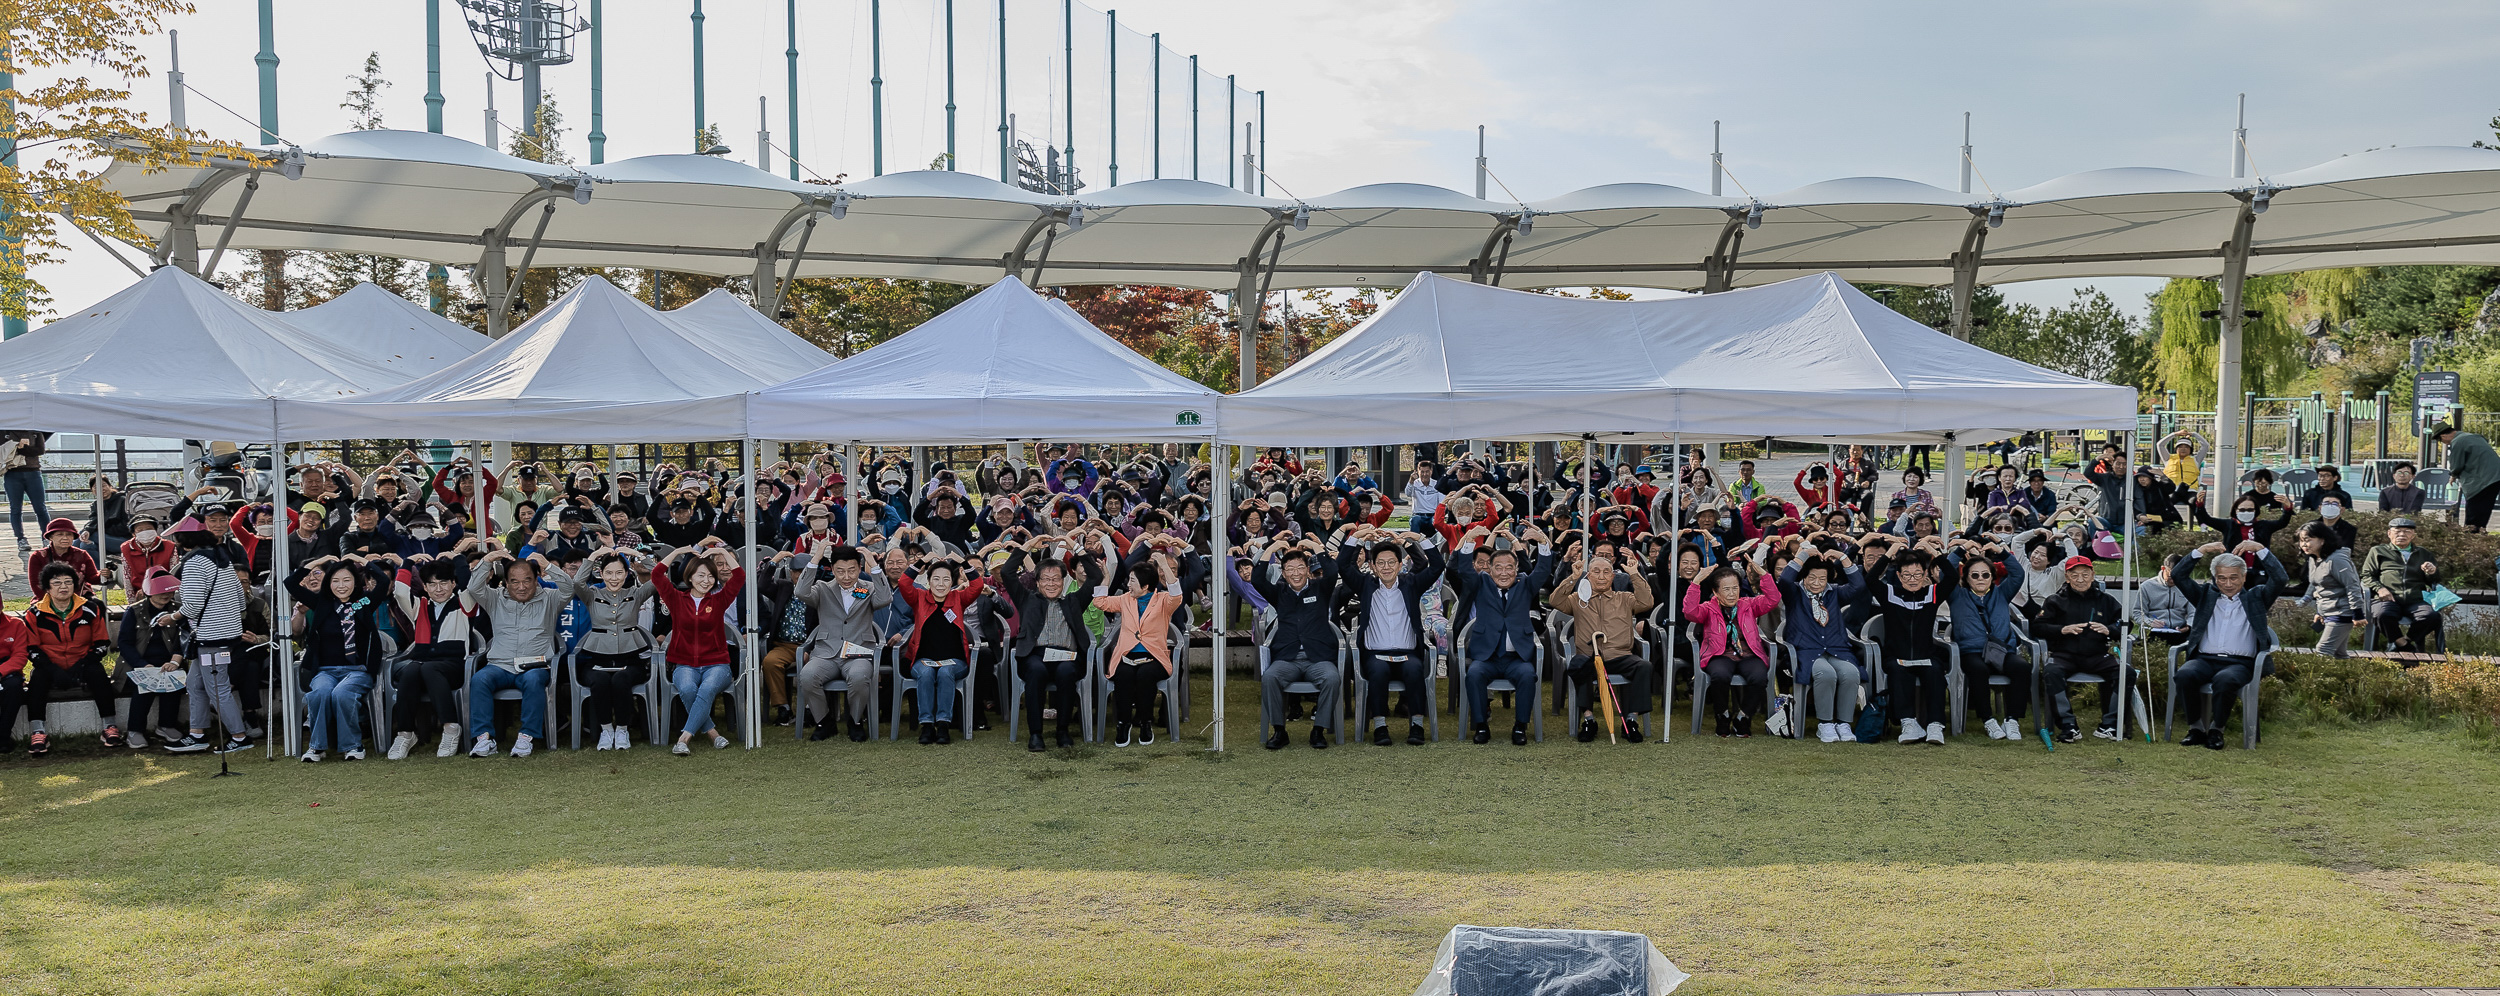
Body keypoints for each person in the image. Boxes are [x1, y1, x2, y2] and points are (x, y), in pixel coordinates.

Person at [463, 544, 585, 758]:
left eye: (527, 580)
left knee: (533, 681)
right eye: (515, 582)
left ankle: (525, 738)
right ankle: (483, 739)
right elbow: (474, 588)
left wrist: (548, 565)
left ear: (536, 580)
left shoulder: (550, 598)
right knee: (479, 679)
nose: (521, 587)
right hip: (500, 665)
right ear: (506, 583)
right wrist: (488, 560)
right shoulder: (495, 599)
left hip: (534, 665)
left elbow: (569, 588)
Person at [2170, 541, 2289, 749]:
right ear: (2215, 578)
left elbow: (2280, 578)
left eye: (2234, 577)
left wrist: (2260, 549)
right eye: (2221, 578)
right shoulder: (2205, 595)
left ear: (2243, 577)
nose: (2228, 583)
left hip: (2239, 663)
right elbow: (2179, 576)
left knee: (2225, 680)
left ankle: (2217, 730)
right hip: (2204, 659)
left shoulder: (2257, 597)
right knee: (2184, 675)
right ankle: (2196, 728)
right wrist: (2200, 551)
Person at [1340, 527, 1448, 747]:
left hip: (1407, 652)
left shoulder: (1411, 584)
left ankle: (1417, 724)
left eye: (1391, 562)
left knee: (1414, 669)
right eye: (1380, 563)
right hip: (1375, 653)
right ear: (1372, 566)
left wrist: (1418, 539)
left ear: (1400, 565)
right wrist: (1358, 539)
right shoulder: (1365, 585)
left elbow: (1437, 565)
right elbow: (1343, 565)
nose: (1386, 567)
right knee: (1378, 672)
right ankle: (1380, 726)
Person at [1448, 524, 1555, 745]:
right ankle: (1481, 726)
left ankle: (1520, 726)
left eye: (1509, 568)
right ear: (1490, 569)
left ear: (1516, 570)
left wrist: (1543, 541)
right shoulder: (1481, 583)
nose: (1503, 572)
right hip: (1486, 657)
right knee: (1474, 674)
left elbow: (1543, 571)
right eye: (1498, 567)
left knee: (1527, 676)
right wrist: (1469, 539)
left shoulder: (1525, 584)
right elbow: (1464, 570)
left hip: (1517, 657)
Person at [161, 515, 255, 755]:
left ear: (183, 540)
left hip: (211, 637)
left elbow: (191, 606)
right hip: (225, 634)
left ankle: (240, 736)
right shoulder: (222, 559)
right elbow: (241, 600)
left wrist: (172, 617)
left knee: (217, 688)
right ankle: (197, 734)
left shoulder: (193, 563)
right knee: (195, 685)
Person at [287, 556, 394, 762]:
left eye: (347, 580)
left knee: (342, 694)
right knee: (319, 693)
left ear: (356, 582)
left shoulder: (363, 602)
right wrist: (322, 560)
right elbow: (291, 583)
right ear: (328, 583)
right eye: (335, 580)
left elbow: (383, 582)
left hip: (358, 670)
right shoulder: (322, 603)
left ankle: (353, 746)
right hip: (325, 670)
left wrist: (361, 560)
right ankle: (317, 747)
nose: (341, 585)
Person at [1551, 542, 1656, 742]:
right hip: (1590, 656)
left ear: (1613, 576)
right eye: (1595, 572)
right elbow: (1555, 601)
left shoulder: (1624, 598)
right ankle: (1589, 719)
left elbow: (1646, 603)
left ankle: (1631, 719)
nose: (1601, 576)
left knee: (1644, 666)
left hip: (1620, 655)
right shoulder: (1578, 599)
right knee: (1578, 665)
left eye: (1606, 572)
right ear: (1588, 576)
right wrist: (1572, 578)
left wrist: (1634, 574)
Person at [794, 543, 896, 743]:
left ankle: (856, 721)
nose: (846, 577)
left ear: (859, 568)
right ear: (832, 570)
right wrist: (815, 559)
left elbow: (885, 598)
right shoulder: (822, 589)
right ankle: (824, 722)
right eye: (840, 571)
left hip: (858, 652)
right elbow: (800, 592)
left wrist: (873, 564)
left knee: (859, 677)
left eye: (852, 571)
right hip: (826, 652)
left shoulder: (867, 589)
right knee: (807, 676)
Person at [1090, 540, 1185, 747]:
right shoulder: (1125, 599)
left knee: (1145, 675)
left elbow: (1177, 594)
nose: (1128, 584)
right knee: (1123, 675)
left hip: (1154, 657)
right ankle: (1123, 724)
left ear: (1145, 586)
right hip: (1127, 655)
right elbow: (1100, 602)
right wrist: (1106, 577)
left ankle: (1145, 723)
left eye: (1132, 581)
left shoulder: (1163, 601)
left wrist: (1163, 563)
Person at [1249, 536, 1341, 750]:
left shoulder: (1320, 588)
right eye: (1290, 569)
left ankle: (1318, 731)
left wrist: (1316, 547)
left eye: (1300, 568)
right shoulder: (1279, 593)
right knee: (1270, 678)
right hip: (1288, 658)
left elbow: (1332, 571)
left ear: (1308, 570)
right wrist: (1270, 548)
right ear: (1283, 573)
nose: (1296, 573)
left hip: (1318, 658)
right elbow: (1257, 579)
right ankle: (1279, 731)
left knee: (1331, 678)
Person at [1000, 537, 1092, 751]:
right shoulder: (1027, 598)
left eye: (1056, 579)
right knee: (1035, 670)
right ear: (1038, 582)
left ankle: (1063, 731)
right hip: (1035, 655)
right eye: (1046, 580)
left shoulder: (1073, 601)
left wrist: (1076, 547)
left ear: (1063, 581)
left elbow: (1095, 576)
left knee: (1067, 672)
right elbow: (1007, 573)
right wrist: (1028, 545)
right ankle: (1035, 734)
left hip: (1065, 657)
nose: (1051, 584)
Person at [653, 544, 745, 755]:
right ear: (690, 577)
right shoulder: (676, 599)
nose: (706, 581)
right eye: (701, 575)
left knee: (706, 689)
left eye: (710, 576)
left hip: (717, 664)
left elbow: (739, 576)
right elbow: (657, 575)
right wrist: (676, 553)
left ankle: (684, 738)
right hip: (684, 664)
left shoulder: (719, 599)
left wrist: (721, 553)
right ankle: (713, 734)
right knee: (687, 689)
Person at [18, 564, 118, 754]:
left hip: (83, 662)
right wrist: (53, 669)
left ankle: (109, 727)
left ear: (75, 585)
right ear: (47, 588)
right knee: (37, 680)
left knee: (98, 674)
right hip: (49, 665)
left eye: (68, 582)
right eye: (56, 583)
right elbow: (31, 649)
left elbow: (102, 643)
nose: (63, 587)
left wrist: (81, 665)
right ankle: (38, 732)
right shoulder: (34, 613)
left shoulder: (90, 609)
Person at [895, 552, 992, 745]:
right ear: (928, 581)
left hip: (955, 661)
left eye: (946, 579)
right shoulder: (919, 598)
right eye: (936, 579)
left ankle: (944, 725)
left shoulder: (958, 598)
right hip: (922, 659)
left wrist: (963, 562)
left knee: (946, 672)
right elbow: (904, 583)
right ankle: (927, 725)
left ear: (952, 582)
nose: (941, 584)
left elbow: (977, 585)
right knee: (927, 672)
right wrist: (922, 562)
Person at [384, 557, 476, 759]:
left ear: (453, 583)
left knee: (426, 668)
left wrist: (458, 557)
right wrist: (407, 563)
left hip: (455, 666)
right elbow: (400, 591)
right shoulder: (420, 606)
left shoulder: (464, 603)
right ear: (424, 587)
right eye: (432, 584)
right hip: (424, 665)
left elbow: (470, 584)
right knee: (411, 670)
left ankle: (451, 728)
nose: (439, 589)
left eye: (444, 583)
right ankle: (405, 733)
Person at [1682, 555, 1781, 738]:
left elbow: (1773, 599)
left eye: (1735, 588)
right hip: (1720, 655)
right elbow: (1689, 612)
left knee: (1760, 676)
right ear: (1716, 591)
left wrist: (1764, 576)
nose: (1732, 593)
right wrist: (1696, 582)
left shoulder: (1749, 605)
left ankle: (1744, 717)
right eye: (1726, 589)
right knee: (1720, 676)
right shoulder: (1708, 608)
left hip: (1748, 654)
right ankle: (1723, 715)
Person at [2029, 555, 2126, 743]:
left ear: (2093, 575)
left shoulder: (2106, 600)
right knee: (2051, 671)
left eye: (2085, 575)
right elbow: (2038, 626)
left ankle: (2110, 724)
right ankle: (2068, 726)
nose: (2080, 580)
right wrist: (2062, 630)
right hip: (2065, 654)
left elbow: (2124, 625)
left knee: (2125, 672)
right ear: (2067, 577)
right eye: (2075, 576)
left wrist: (2109, 630)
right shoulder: (2055, 600)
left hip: (2098, 654)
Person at [1775, 548, 1867, 743]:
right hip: (1806, 651)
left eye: (1822, 579)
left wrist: (1842, 556)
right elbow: (1784, 580)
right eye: (1812, 578)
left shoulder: (1834, 593)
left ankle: (1843, 724)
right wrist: (1803, 555)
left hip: (1837, 649)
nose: (1817, 583)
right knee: (1826, 674)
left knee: (1851, 674)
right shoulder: (1795, 593)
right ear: (1804, 577)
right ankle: (1825, 724)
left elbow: (1858, 585)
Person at [1944, 537, 2030, 742]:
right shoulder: (1957, 595)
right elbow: (1946, 571)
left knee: (2022, 667)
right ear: (1967, 578)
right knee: (1978, 670)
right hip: (1971, 651)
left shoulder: (2001, 593)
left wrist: (2001, 552)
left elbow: (2018, 574)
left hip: (2001, 650)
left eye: (1985, 575)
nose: (1980, 579)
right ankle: (1988, 720)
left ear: (1992, 577)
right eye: (1975, 575)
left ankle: (2012, 720)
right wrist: (1962, 549)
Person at [573, 547, 657, 751]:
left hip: (630, 658)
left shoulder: (635, 594)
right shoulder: (592, 594)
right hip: (598, 658)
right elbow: (577, 582)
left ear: (627, 574)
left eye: (619, 572)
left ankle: (622, 729)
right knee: (600, 682)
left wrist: (638, 556)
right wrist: (592, 556)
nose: (614, 578)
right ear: (600, 574)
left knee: (621, 680)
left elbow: (659, 578)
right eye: (608, 572)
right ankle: (606, 729)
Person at [1871, 545, 1951, 745]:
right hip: (1896, 655)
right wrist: (1888, 553)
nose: (1912, 579)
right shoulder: (1889, 594)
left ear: (1925, 574)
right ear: (1898, 576)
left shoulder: (1932, 593)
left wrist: (1935, 552)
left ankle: (1935, 725)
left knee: (1935, 671)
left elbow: (1952, 577)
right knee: (1898, 671)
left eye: (1917, 574)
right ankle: (1909, 723)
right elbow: (1870, 579)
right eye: (1906, 575)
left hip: (1926, 654)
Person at [114, 570, 190, 749]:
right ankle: (135, 730)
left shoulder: (178, 610)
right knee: (145, 687)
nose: (166, 595)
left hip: (170, 662)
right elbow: (124, 643)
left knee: (173, 684)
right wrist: (142, 665)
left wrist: (174, 662)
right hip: (139, 663)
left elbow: (185, 639)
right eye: (161, 591)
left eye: (169, 591)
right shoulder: (134, 611)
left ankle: (167, 725)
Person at [2361, 516, 2444, 653]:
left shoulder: (2423, 553)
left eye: (2406, 531)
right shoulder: (2378, 551)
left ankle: (2401, 641)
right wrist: (2380, 589)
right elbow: (2366, 575)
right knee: (2382, 614)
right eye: (2397, 531)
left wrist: (2432, 571)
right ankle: (2404, 646)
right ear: (2389, 533)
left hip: (2415, 599)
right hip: (2388, 598)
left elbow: (2434, 580)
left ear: (2413, 535)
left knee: (2432, 616)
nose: (2402, 534)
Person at [2290, 520, 2364, 659]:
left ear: (2322, 540)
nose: (2304, 545)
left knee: (2323, 650)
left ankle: (2318, 681)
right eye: (2301, 541)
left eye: (2308, 540)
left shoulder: (2337, 560)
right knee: (2339, 654)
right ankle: (2349, 679)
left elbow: (2352, 585)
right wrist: (2320, 612)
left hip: (2343, 611)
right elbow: (2317, 584)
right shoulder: (2314, 558)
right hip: (2329, 610)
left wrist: (2358, 613)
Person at [2433, 422, 2500, 530]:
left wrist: (2453, 476)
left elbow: (2456, 465)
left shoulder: (2458, 442)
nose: (2444, 443)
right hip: (2495, 477)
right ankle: (2479, 535)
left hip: (2481, 481)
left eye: (2441, 441)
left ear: (2443, 436)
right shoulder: (2474, 437)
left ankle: (2472, 539)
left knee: (2474, 517)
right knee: (2483, 512)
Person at [2, 430, 51, 550]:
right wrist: (25, 448)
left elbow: (40, 450)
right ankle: (20, 539)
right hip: (12, 473)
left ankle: (47, 537)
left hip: (33, 472)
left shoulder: (35, 430)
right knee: (15, 508)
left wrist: (18, 448)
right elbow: (3, 450)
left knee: (40, 508)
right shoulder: (5, 430)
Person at [25, 517, 100, 593]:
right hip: (47, 597)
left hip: (80, 596)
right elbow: (36, 585)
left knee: (95, 605)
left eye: (69, 534)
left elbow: (92, 578)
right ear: (51, 537)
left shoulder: (82, 555)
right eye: (60, 534)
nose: (65, 538)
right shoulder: (38, 556)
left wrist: (104, 575)